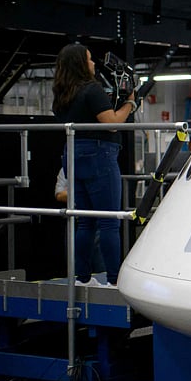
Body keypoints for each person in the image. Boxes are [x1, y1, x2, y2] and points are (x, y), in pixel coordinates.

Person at [51, 44, 136, 287]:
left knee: (85, 220)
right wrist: (129, 104)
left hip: (72, 154)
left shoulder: (62, 94)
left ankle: (83, 278)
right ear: (80, 63)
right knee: (109, 220)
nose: (94, 64)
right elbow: (111, 123)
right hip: (99, 154)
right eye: (89, 60)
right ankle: (113, 280)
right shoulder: (92, 90)